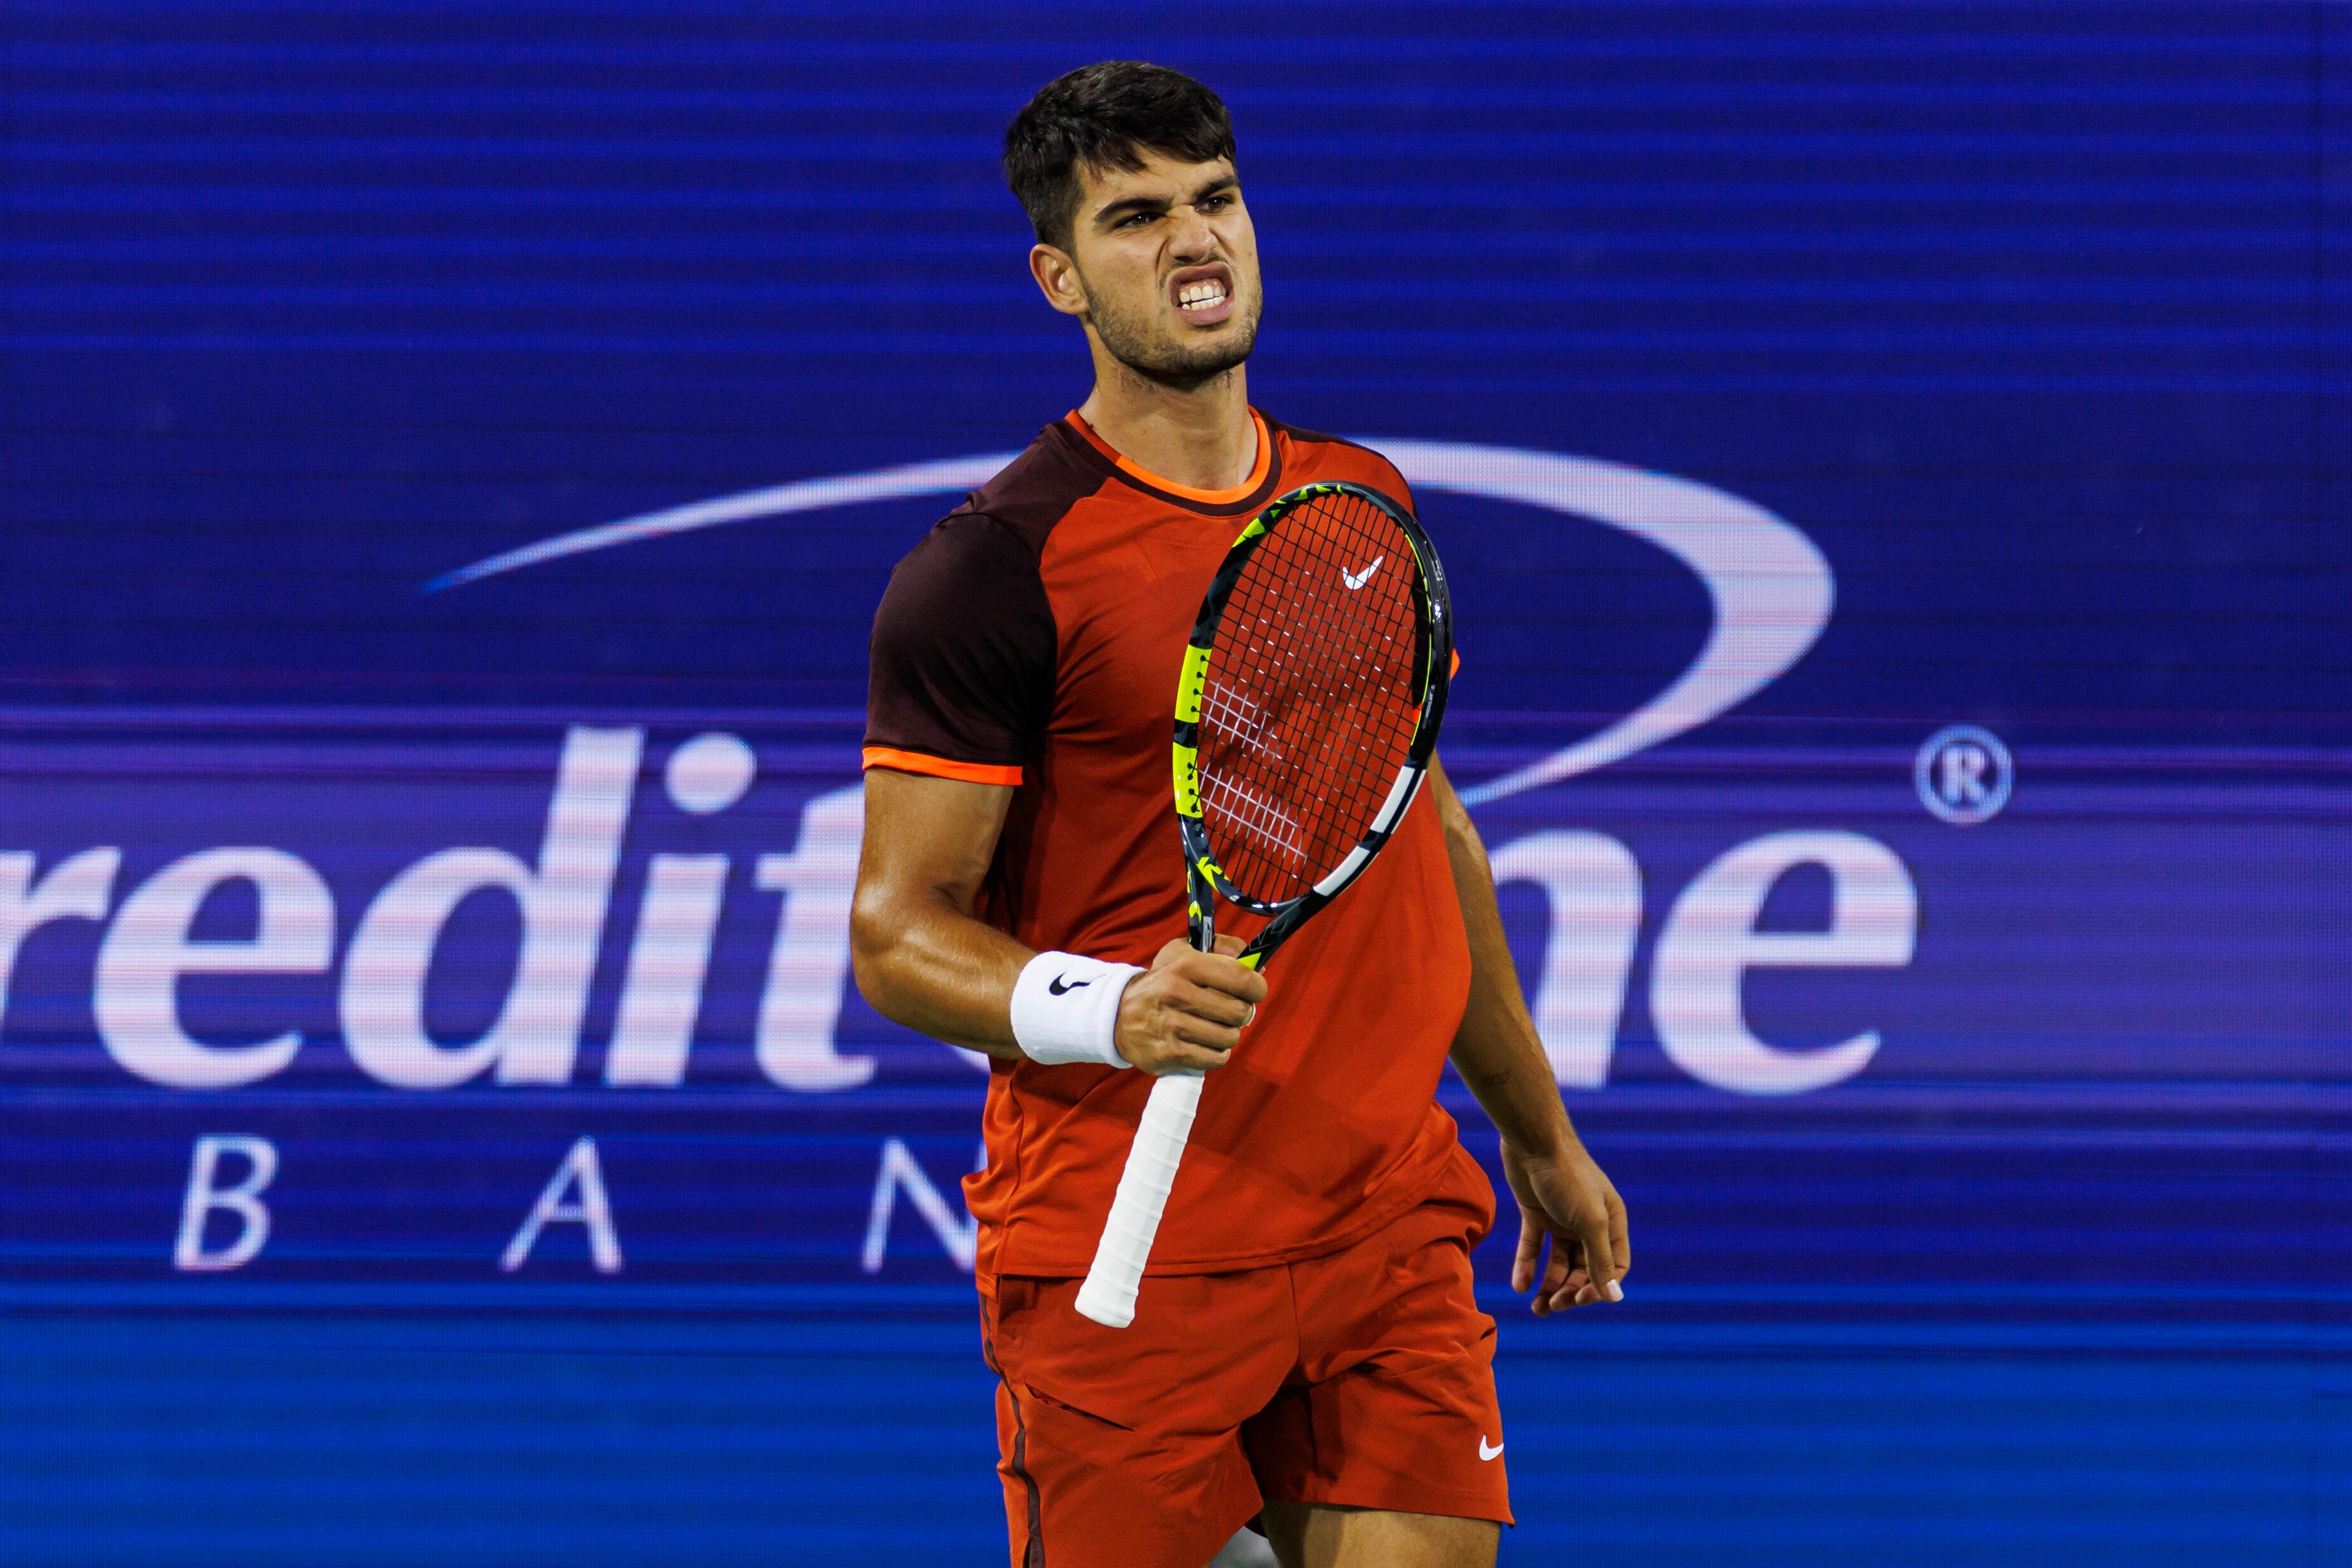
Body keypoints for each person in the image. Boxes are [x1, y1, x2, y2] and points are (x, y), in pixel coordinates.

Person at [851, 60, 1629, 1568]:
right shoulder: (997, 569)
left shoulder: (1357, 500)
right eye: (1134, 217)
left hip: (1379, 1211)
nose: (1191, 240)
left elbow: (1420, 833)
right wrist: (1111, 1007)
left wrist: (1536, 1134)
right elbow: (895, 937)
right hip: (1120, 1243)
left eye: (1213, 200)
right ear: (1058, 278)